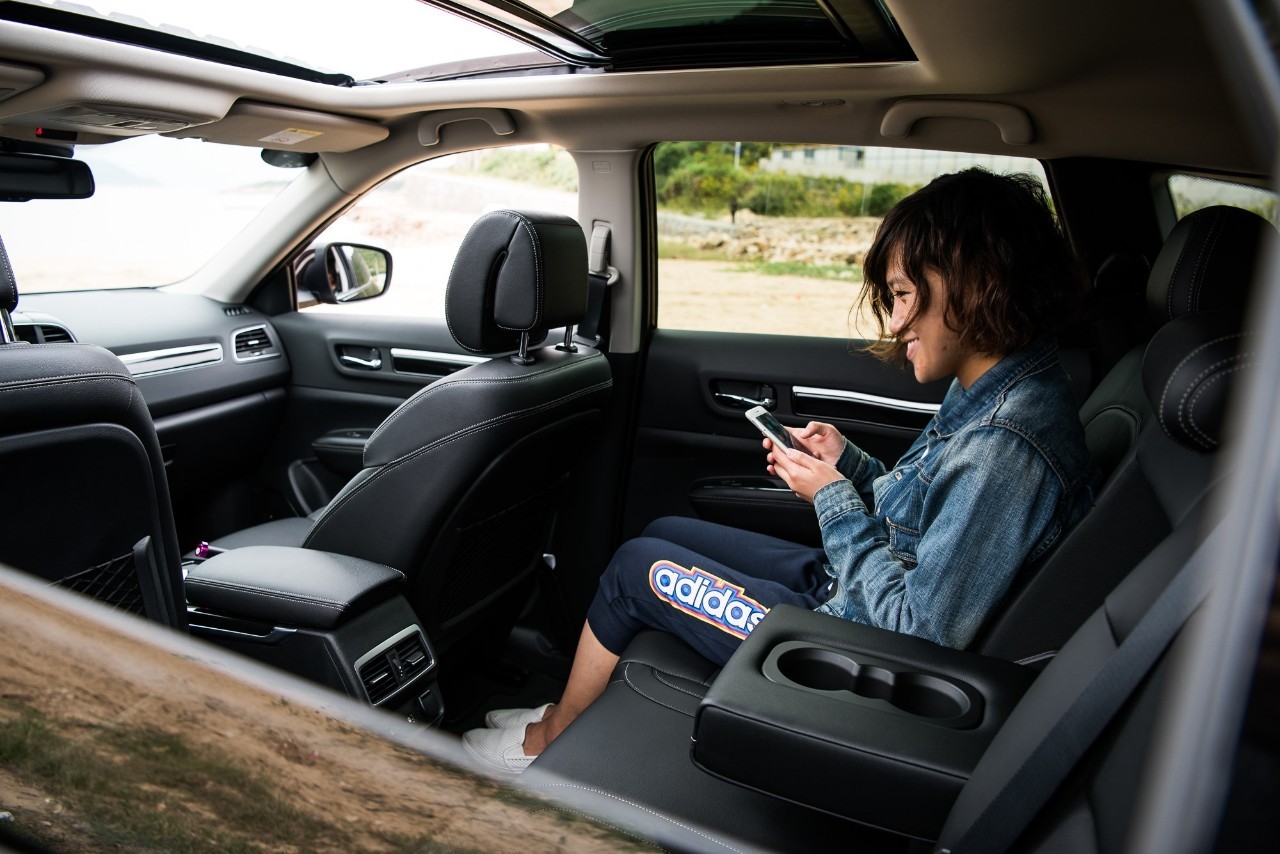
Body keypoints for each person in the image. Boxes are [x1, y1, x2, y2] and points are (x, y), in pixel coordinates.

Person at [463, 168, 1096, 772]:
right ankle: (566, 714)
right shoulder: (996, 388)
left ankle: (551, 739)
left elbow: (917, 632)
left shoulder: (1005, 447)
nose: (896, 321)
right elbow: (927, 518)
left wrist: (834, 500)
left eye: (904, 294)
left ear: (979, 284)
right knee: (663, 533)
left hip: (856, 650)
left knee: (636, 571)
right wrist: (850, 466)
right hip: (858, 590)